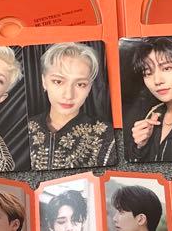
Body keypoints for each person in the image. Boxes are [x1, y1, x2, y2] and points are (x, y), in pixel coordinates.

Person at [28, 42, 116, 170]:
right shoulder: (25, 130)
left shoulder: (109, 136)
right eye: (58, 81)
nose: (69, 95)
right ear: (44, 81)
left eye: (80, 84)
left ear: (89, 87)